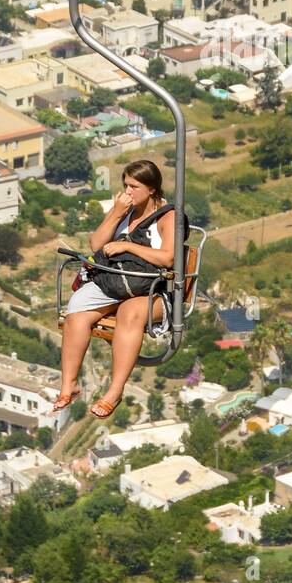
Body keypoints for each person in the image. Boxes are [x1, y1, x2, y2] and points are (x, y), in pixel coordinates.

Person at [52, 159, 177, 421]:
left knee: (130, 313)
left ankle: (114, 392)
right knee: (76, 316)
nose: (127, 192)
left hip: (153, 291)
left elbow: (168, 258)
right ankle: (69, 384)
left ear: (152, 189)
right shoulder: (125, 213)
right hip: (118, 283)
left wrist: (128, 246)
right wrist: (116, 213)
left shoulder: (168, 216)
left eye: (134, 186)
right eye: (125, 185)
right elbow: (97, 244)